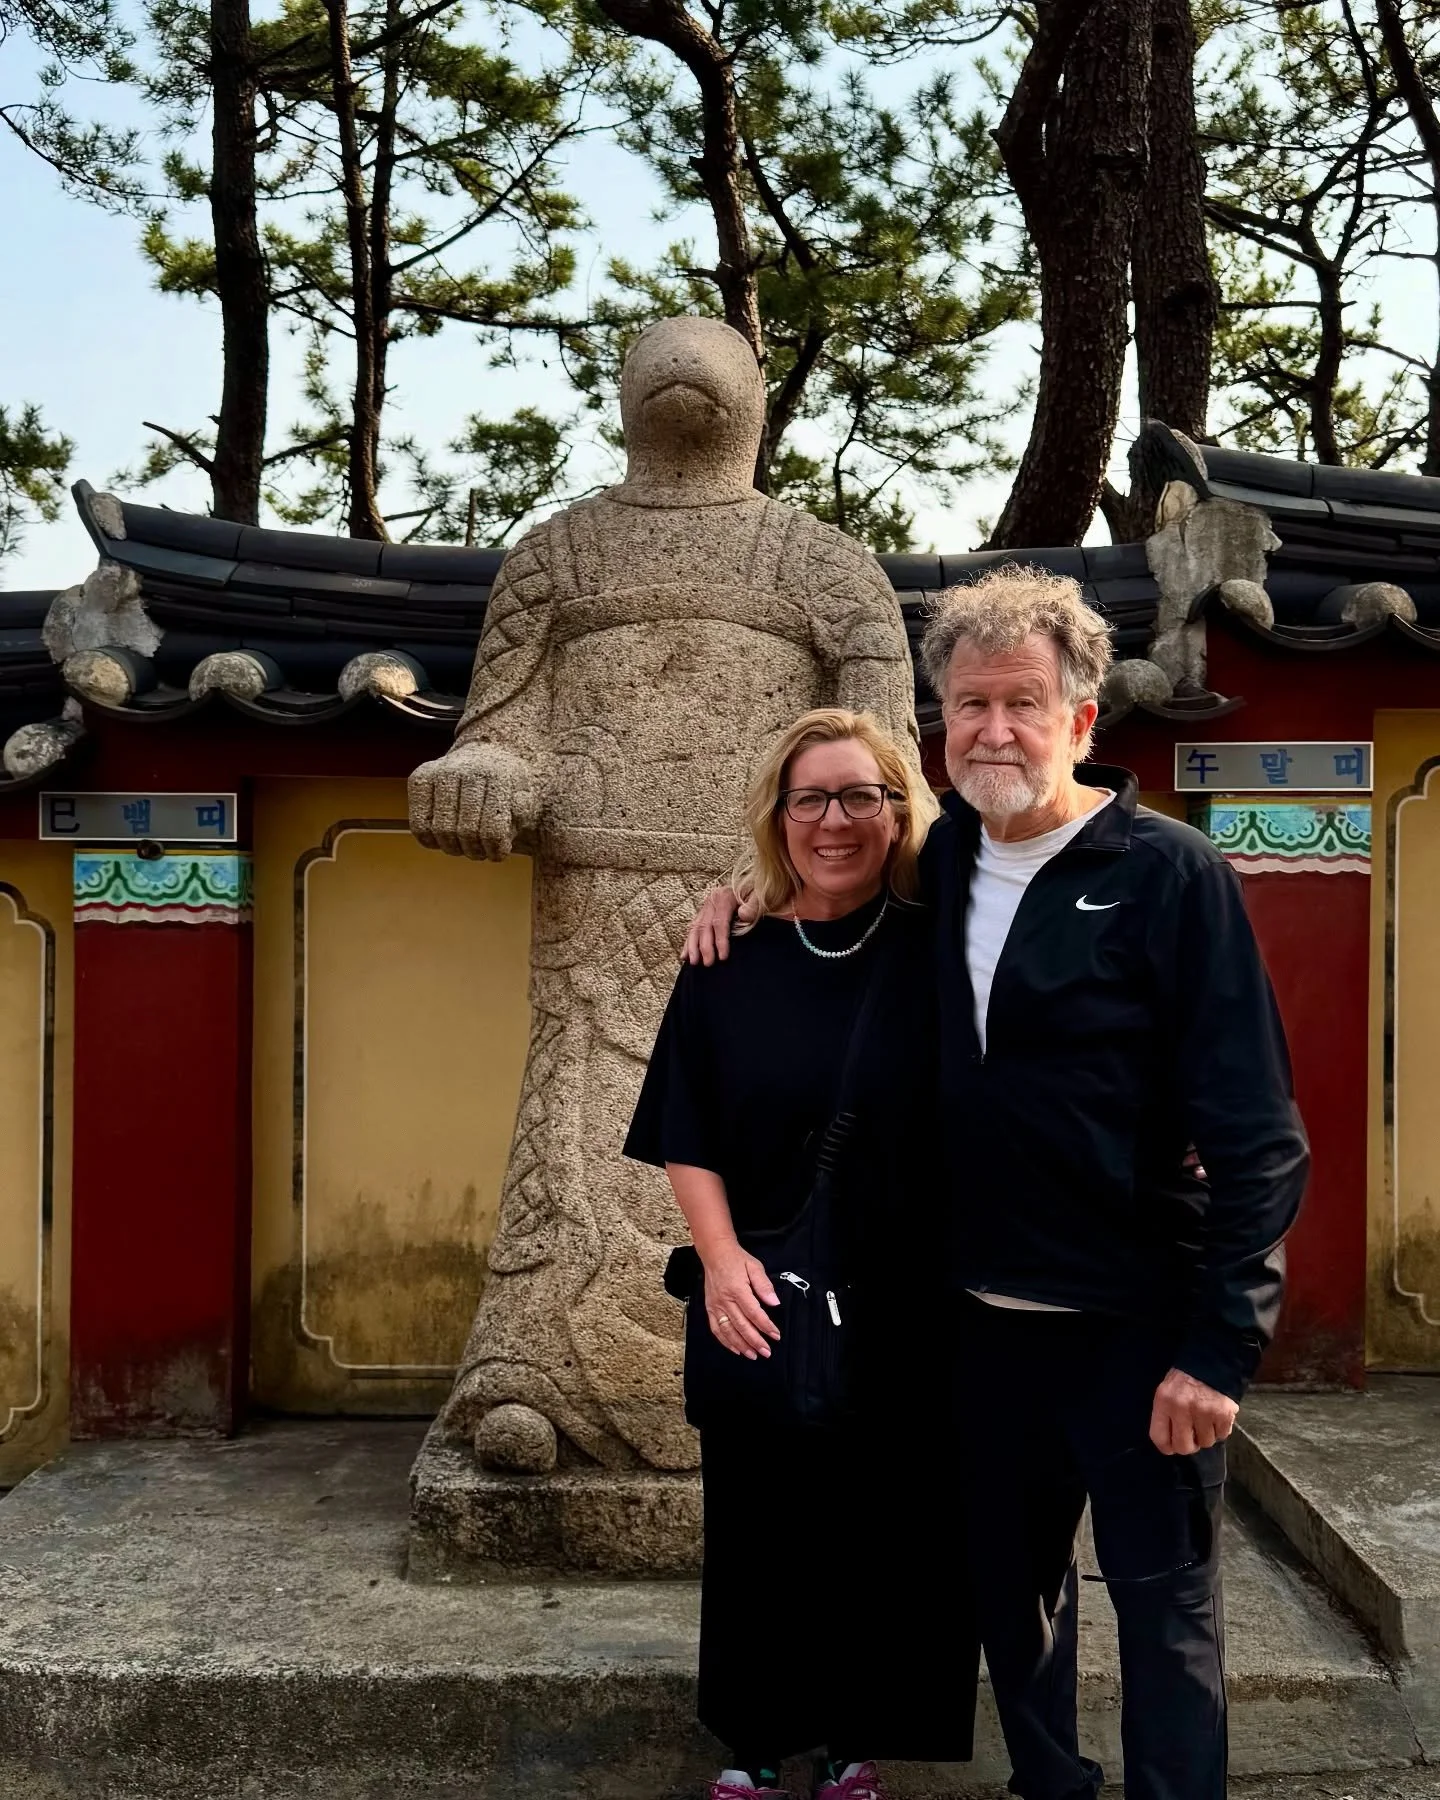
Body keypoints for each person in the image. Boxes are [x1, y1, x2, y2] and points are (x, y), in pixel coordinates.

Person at [686, 566, 1310, 1800]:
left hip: (1138, 1323)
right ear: (943, 725)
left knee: (1166, 1608)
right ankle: (1049, 1786)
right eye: (970, 704)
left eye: (1023, 702)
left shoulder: (1169, 874)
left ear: (1082, 717)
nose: (994, 730)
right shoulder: (946, 861)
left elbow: (1258, 1134)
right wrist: (742, 897)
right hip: (974, 1332)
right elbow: (828, 875)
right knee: (1013, 1608)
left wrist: (1221, 1349)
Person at [625, 707, 975, 1800]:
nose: (836, 821)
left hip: (910, 1289)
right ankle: (759, 1739)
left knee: (888, 1522)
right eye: (811, 798)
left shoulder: (943, 948)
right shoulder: (728, 956)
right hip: (763, 1283)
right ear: (778, 817)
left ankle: (862, 1735)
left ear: (898, 811)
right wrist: (720, 1260)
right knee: (761, 1520)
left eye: (862, 795)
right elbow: (685, 1123)